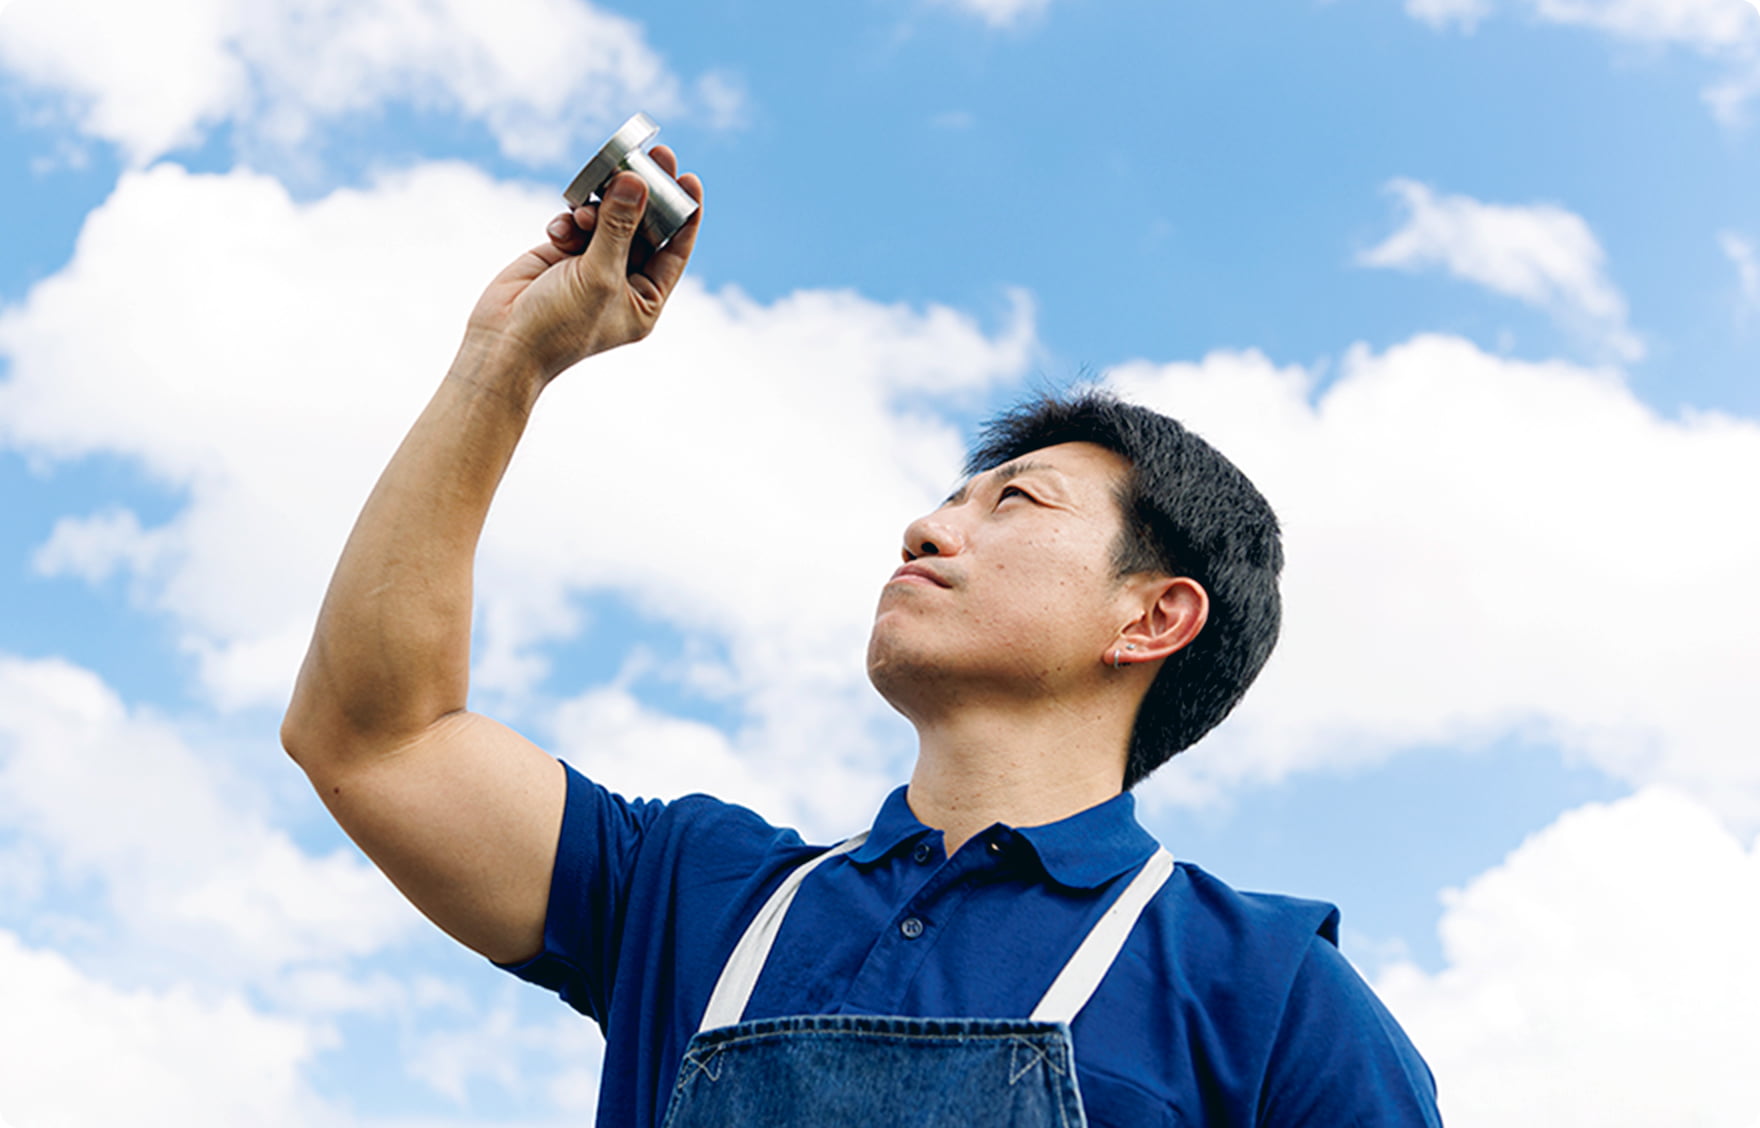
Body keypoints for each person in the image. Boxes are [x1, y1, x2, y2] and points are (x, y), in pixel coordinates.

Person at [281, 150, 1442, 1127]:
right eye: (949, 495)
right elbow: (374, 739)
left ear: (1152, 616)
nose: (926, 526)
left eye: (1014, 501)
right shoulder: (692, 893)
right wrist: (506, 363)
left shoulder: (1267, 993)